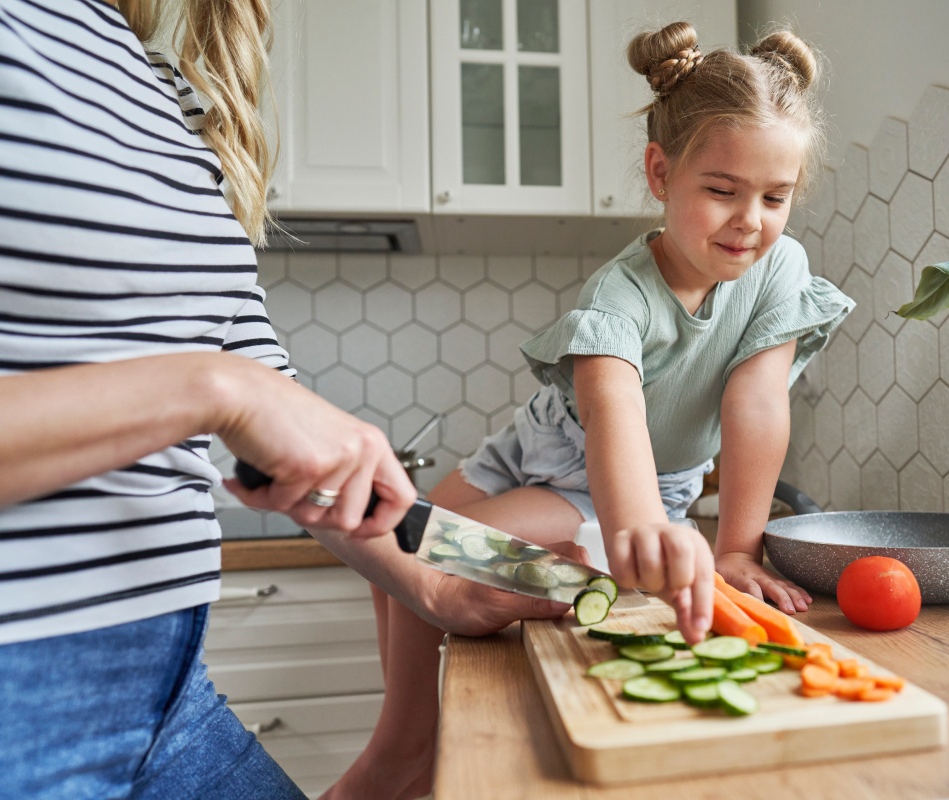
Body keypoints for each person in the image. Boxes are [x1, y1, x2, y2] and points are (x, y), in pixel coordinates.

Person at [0, 1, 579, 797]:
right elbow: (233, 392)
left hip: (168, 698)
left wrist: (457, 576)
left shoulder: (158, 88)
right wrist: (214, 389)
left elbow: (287, 428)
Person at [331, 20, 855, 800]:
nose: (750, 220)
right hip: (544, 449)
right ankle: (408, 737)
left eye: (775, 197)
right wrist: (636, 534)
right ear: (659, 172)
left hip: (594, 485)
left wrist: (735, 546)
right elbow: (614, 419)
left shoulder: (779, 269)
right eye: (721, 190)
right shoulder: (619, 297)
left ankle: (404, 749)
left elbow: (756, 403)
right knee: (400, 538)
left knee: (426, 548)